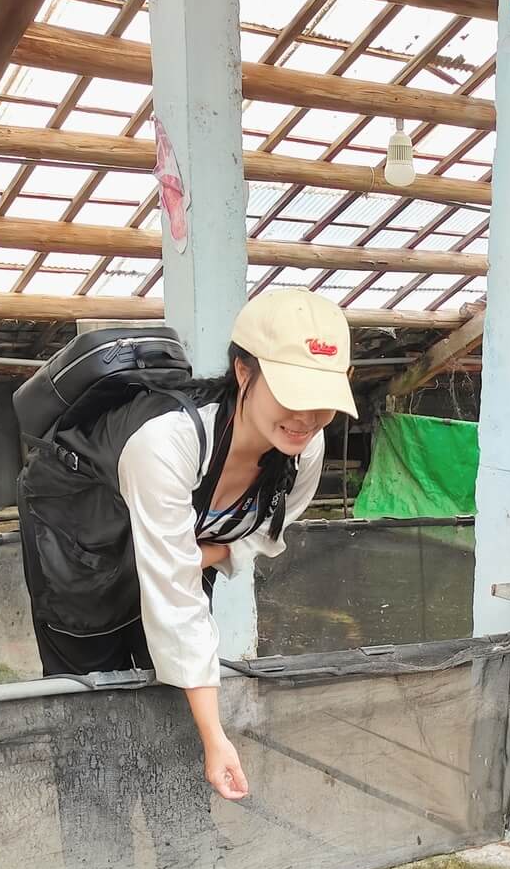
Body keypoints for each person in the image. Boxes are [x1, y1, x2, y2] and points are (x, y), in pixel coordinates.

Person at [22, 288, 356, 801]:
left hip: (181, 536)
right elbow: (177, 604)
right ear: (244, 372)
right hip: (78, 534)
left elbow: (271, 527)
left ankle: (182, 846)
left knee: (179, 693)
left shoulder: (302, 449)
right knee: (90, 694)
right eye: (292, 392)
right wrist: (218, 735)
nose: (306, 418)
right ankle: (96, 850)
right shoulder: (166, 441)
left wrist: (215, 553)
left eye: (323, 400)